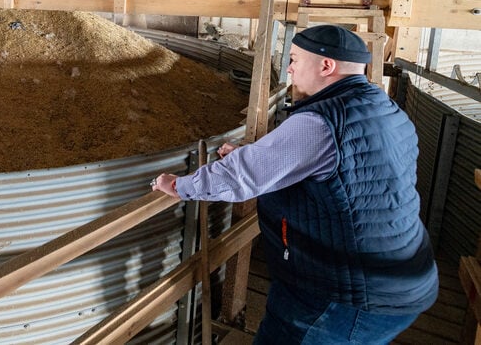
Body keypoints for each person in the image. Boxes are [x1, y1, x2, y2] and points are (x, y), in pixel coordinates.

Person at [151, 24, 438, 344]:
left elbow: (240, 176)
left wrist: (180, 186)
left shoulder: (320, 121)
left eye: (294, 59)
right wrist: (261, 156)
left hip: (345, 293)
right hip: (403, 277)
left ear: (326, 66)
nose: (288, 68)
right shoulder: (385, 109)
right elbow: (344, 174)